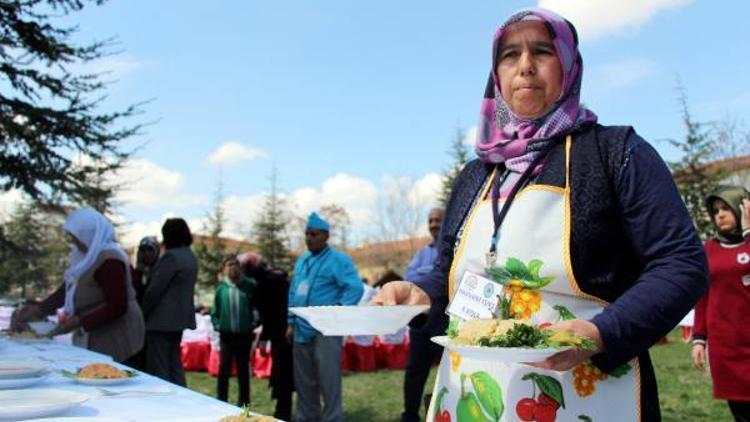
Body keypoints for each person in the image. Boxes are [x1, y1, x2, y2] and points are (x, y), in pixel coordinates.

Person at [372, 8, 708, 421]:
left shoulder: (615, 153)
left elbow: (681, 264)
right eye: (510, 55)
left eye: (542, 51)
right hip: (470, 394)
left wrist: (604, 333)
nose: (525, 67)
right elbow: (451, 271)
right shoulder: (475, 175)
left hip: (586, 388)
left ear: (568, 65)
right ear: (497, 74)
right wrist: (421, 293)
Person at [12, 208, 145, 363]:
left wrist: (78, 321)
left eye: (76, 237)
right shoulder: (84, 256)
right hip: (94, 327)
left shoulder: (110, 259)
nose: (73, 241)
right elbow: (67, 290)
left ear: (89, 235)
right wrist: (38, 309)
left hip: (116, 331)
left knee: (109, 372)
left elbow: (117, 305)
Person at [287, 212, 364, 422]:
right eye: (306, 234)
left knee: (328, 380)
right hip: (301, 329)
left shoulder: (338, 260)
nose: (309, 238)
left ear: (326, 236)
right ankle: (306, 417)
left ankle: (332, 419)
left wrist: (337, 312)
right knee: (304, 380)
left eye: (313, 234)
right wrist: (290, 322)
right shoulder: (302, 260)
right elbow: (294, 291)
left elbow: (355, 288)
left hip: (326, 330)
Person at [692, 186, 750, 421]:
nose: (720, 215)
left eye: (727, 208)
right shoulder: (709, 250)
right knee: (742, 414)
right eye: (716, 211)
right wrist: (698, 339)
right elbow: (702, 297)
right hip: (726, 348)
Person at [401, 207, 448, 422]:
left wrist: (426, 274)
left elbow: (448, 273)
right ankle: (410, 415)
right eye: (430, 220)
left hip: (446, 322)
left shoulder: (454, 246)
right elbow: (408, 275)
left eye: (438, 219)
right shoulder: (423, 252)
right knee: (414, 372)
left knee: (448, 373)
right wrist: (431, 272)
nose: (434, 224)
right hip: (421, 323)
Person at [141, 218, 197, 386]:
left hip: (161, 321)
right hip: (179, 319)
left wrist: (142, 312)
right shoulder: (190, 256)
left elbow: (155, 290)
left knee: (159, 367)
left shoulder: (171, 258)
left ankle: (164, 400)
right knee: (175, 364)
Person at [239, 251, 294, 421]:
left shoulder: (266, 284)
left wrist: (263, 337)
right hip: (286, 332)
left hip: (280, 334)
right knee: (285, 372)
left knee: (282, 373)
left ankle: (282, 412)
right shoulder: (279, 277)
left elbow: (270, 313)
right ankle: (283, 409)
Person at [211, 255, 257, 407]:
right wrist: (216, 323)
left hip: (244, 335)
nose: (233, 267)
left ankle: (244, 403)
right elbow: (214, 311)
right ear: (224, 269)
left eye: (236, 264)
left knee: (243, 369)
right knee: (224, 368)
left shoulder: (249, 286)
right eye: (229, 264)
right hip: (226, 335)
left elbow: (256, 308)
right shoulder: (221, 289)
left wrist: (254, 322)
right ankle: (221, 401)